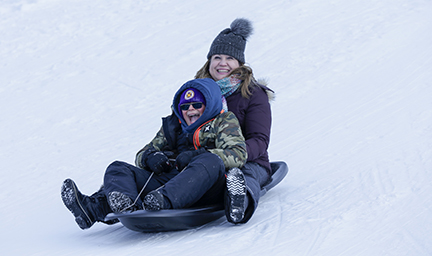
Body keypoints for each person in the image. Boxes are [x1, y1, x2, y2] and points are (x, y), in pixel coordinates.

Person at [61, 78, 247, 230]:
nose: (190, 110)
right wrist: (150, 157)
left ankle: (162, 202)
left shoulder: (222, 120)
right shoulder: (174, 125)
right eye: (185, 106)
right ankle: (100, 208)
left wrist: (197, 156)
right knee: (117, 168)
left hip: (205, 183)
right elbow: (142, 153)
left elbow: (238, 154)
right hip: (170, 181)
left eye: (197, 104)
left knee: (210, 160)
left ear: (208, 105)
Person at [195, 18, 274, 224]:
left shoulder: (253, 94)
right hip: (205, 160)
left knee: (243, 174)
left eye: (229, 58)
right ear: (209, 62)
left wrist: (230, 156)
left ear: (239, 63)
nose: (222, 63)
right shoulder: (197, 93)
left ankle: (239, 201)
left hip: (249, 160)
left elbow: (259, 139)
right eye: (217, 57)